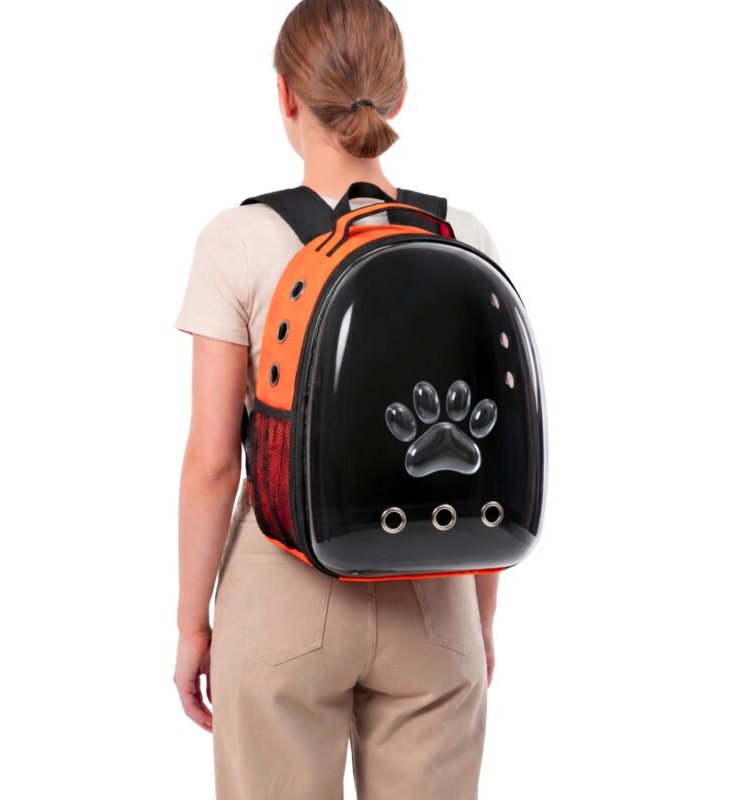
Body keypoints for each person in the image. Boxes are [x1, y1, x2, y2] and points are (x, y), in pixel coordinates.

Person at [173, 1, 501, 797]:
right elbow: (490, 467)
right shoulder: (462, 238)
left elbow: (214, 463)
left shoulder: (238, 240)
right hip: (435, 586)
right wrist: (480, 621)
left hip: (284, 582)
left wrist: (191, 624)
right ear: (399, 96)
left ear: (286, 94)